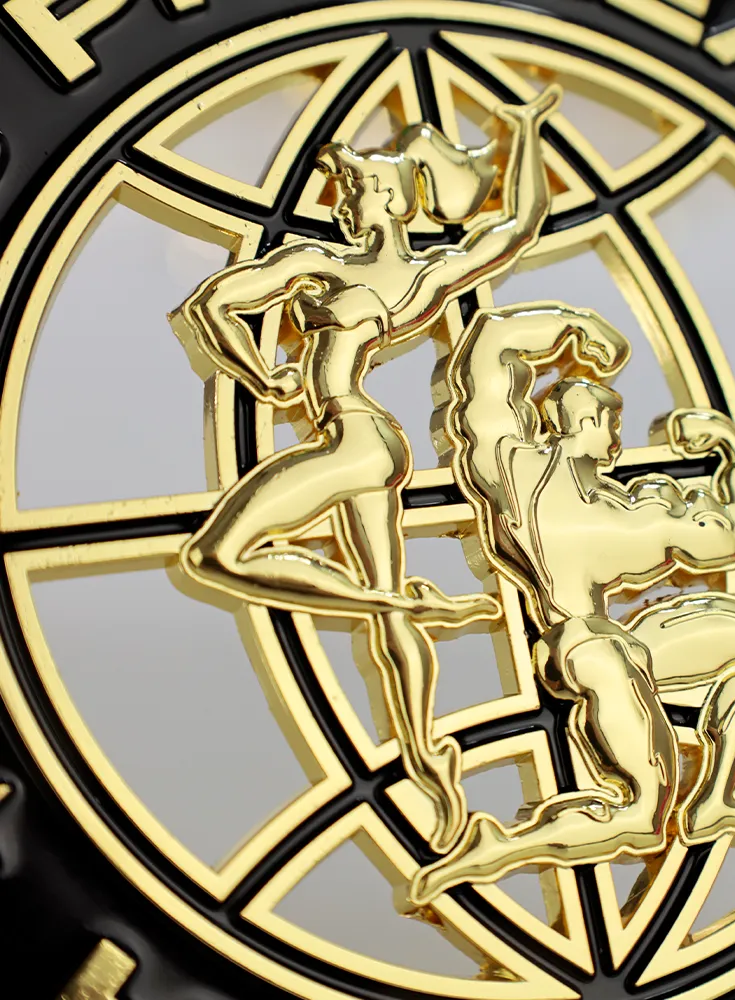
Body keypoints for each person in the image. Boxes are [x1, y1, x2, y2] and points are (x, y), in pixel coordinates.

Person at [169, 87, 562, 855]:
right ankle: (434, 776)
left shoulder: (320, 265)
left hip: (351, 438)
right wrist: (523, 134)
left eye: (351, 189)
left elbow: (211, 305)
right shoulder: (423, 278)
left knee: (216, 555)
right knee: (387, 636)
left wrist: (265, 379)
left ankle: (405, 603)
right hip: (376, 442)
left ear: (382, 197)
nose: (341, 202)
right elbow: (517, 226)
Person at [410, 304, 735, 903]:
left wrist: (730, 448)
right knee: (644, 817)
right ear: (584, 421)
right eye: (610, 422)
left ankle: (716, 800)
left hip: (625, 641)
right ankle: (499, 849)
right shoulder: (523, 476)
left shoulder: (624, 510)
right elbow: (487, 354)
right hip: (584, 646)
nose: (618, 438)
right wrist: (573, 328)